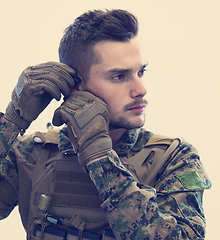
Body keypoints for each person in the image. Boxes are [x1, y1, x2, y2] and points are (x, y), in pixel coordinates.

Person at [0, 9, 211, 240]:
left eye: (141, 72)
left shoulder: (175, 159)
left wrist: (100, 156)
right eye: (119, 76)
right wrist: (12, 121)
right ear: (75, 86)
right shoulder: (31, 153)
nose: (141, 89)